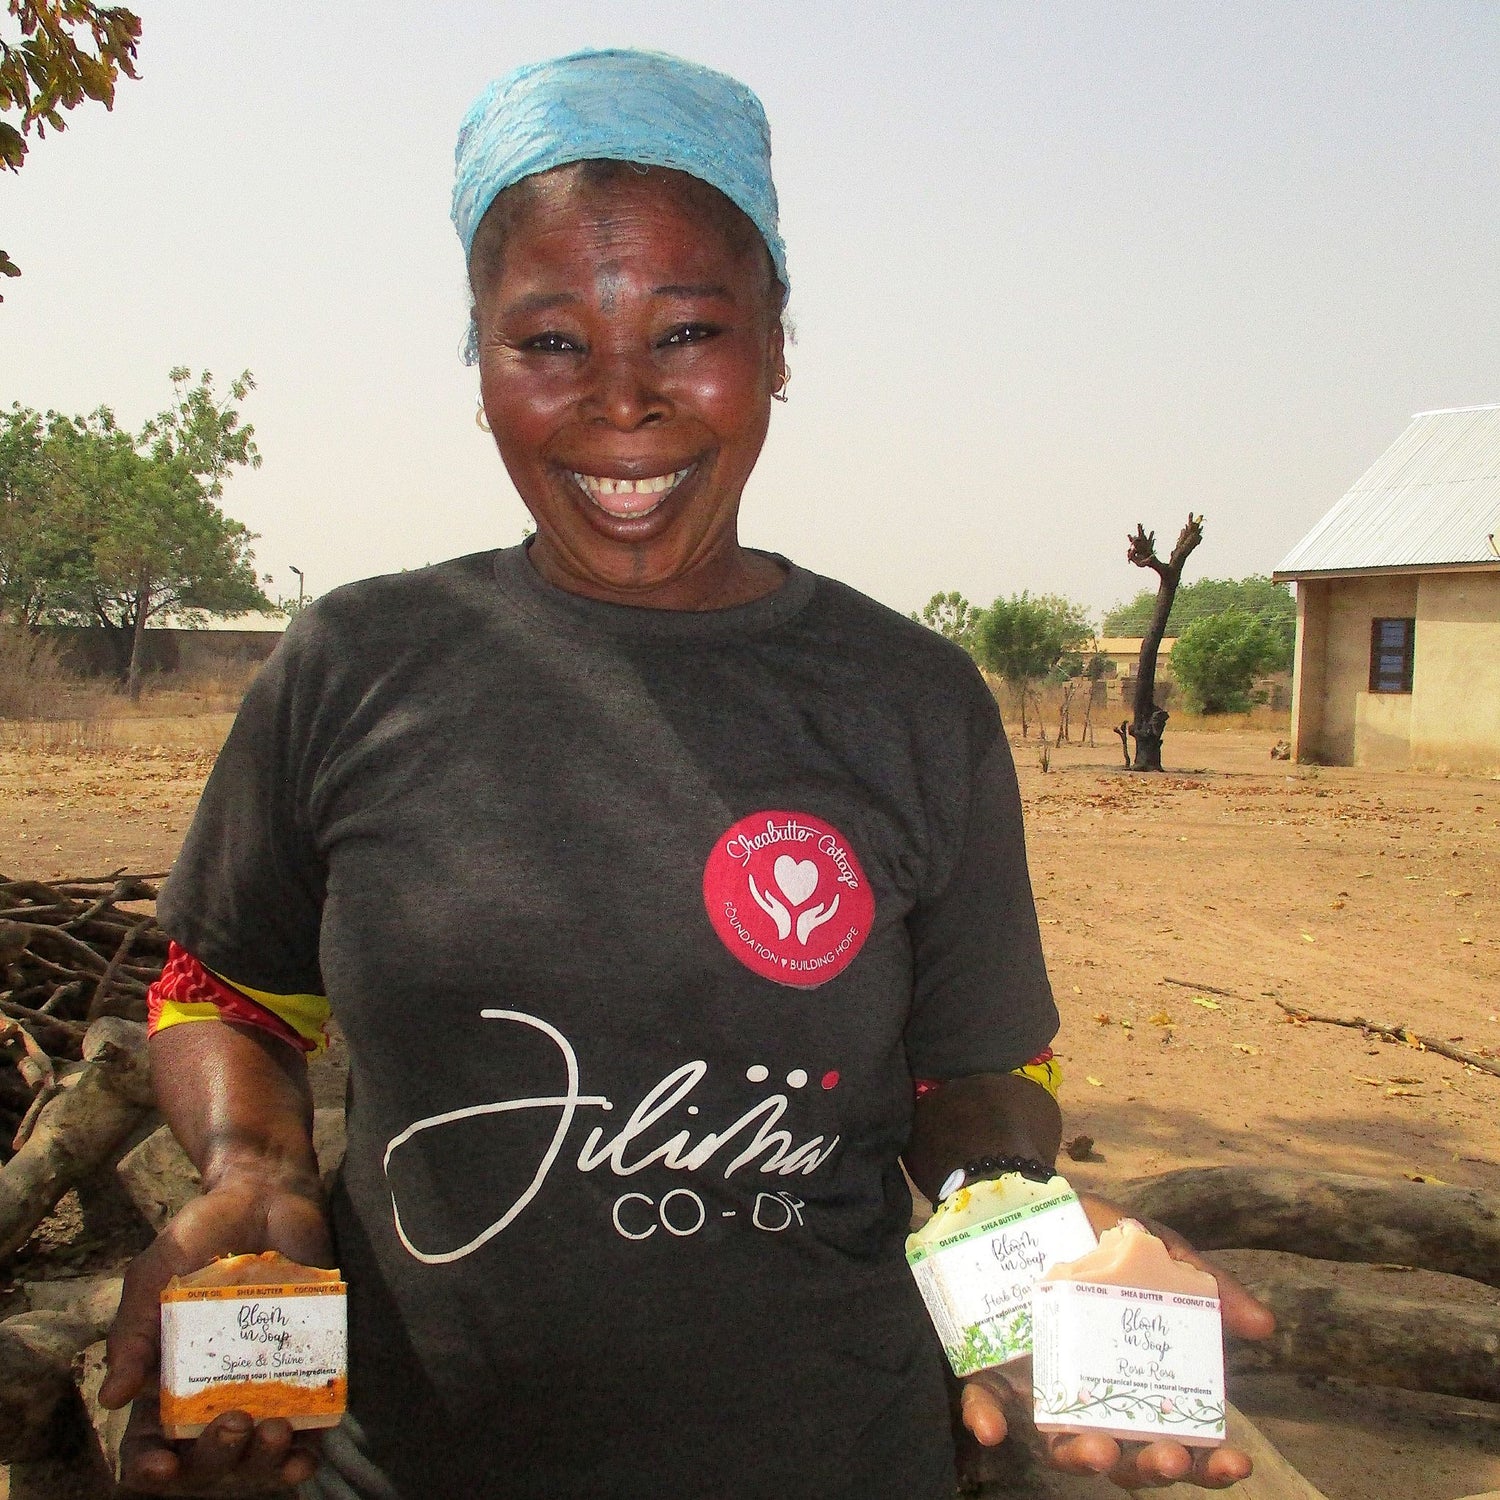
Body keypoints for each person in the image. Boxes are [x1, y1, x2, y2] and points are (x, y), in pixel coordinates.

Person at [101, 48, 1272, 1499]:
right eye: (549, 342)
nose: (623, 403)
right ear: (478, 365)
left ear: (778, 344)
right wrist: (252, 1181)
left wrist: (1030, 1249)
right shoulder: (353, 665)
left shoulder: (910, 700)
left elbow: (974, 1076)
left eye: (688, 331)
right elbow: (221, 993)